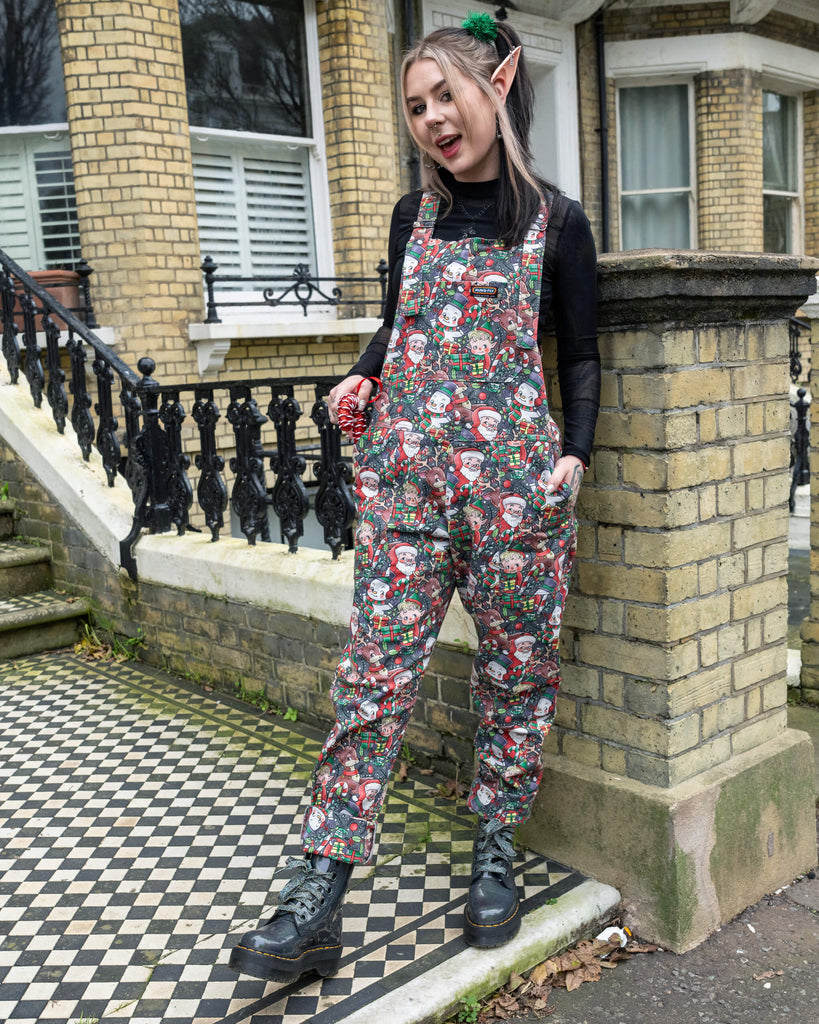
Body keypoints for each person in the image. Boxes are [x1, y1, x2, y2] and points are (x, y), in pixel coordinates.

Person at [230, 11, 599, 983]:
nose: (434, 119)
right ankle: (317, 895)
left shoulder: (557, 224)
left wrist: (580, 457)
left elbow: (586, 355)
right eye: (416, 106)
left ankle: (493, 850)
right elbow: (401, 326)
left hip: (518, 499)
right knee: (372, 683)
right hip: (408, 489)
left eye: (448, 95)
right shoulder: (414, 218)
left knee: (515, 680)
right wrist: (360, 373)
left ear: (503, 81)